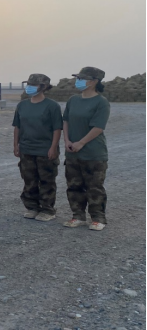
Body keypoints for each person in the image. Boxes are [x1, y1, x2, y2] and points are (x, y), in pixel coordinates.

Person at [63, 67, 111, 232]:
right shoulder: (73, 100)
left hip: (93, 153)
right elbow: (66, 121)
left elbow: (98, 127)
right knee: (74, 185)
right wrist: (67, 141)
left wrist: (81, 143)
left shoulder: (101, 102)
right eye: (78, 78)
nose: (78, 81)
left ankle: (98, 218)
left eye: (82, 78)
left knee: (94, 187)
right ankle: (77, 216)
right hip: (72, 152)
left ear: (94, 81)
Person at [13, 74, 63, 222]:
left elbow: (57, 129)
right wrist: (16, 145)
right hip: (26, 149)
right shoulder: (22, 105)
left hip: (45, 150)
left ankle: (48, 209)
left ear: (43, 87)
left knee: (47, 180)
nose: (29, 87)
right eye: (28, 84)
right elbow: (17, 126)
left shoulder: (52, 106)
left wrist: (53, 148)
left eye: (33, 85)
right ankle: (32, 207)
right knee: (29, 180)